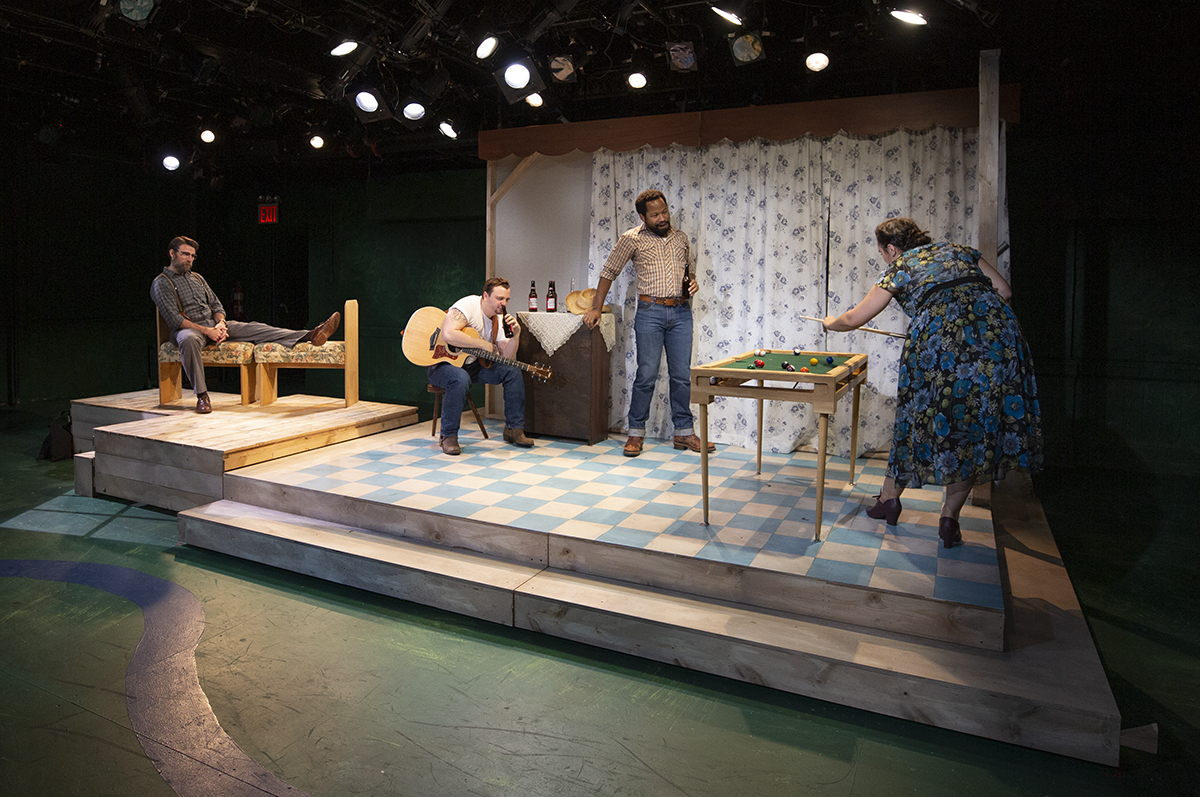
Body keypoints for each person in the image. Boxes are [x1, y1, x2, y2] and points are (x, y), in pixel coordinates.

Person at [823, 217, 1043, 548]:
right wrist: (975, 324)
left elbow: (854, 318)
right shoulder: (960, 250)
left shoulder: (901, 265)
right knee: (973, 427)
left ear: (891, 249)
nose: (885, 258)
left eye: (882, 252)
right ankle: (948, 516)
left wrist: (830, 323)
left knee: (915, 418)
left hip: (941, 346)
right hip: (999, 341)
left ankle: (890, 500)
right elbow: (1004, 291)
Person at [583, 189, 715, 457]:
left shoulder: (681, 239)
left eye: (664, 211)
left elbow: (687, 273)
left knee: (681, 376)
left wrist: (692, 283)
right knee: (646, 375)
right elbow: (608, 272)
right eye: (655, 215)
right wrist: (596, 308)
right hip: (650, 312)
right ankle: (635, 433)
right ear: (643, 217)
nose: (662, 218)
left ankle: (684, 433)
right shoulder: (631, 239)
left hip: (681, 313)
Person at [151, 236, 341, 414]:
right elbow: (175, 320)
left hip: (212, 325)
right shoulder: (162, 283)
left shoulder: (197, 278)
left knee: (256, 327)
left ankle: (310, 334)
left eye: (192, 256)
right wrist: (208, 331)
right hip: (188, 330)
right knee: (188, 340)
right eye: (185, 254)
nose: (189, 259)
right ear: (172, 253)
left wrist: (221, 323)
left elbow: (217, 306)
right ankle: (202, 396)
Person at [428, 277, 533, 455]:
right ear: (485, 295)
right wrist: (482, 344)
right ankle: (448, 436)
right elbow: (448, 334)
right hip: (440, 363)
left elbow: (506, 357)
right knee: (460, 378)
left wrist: (516, 335)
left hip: (471, 365)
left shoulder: (499, 319)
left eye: (507, 299)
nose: (504, 303)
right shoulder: (468, 306)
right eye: (499, 298)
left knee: (512, 371)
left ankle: (513, 429)